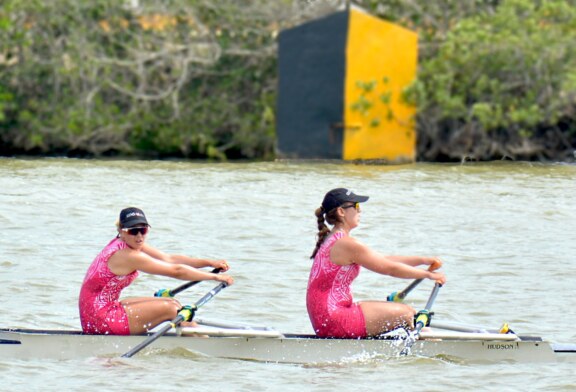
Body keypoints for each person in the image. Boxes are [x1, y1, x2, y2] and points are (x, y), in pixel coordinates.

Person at [306, 188, 446, 339]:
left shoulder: (334, 239)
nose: (360, 211)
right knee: (407, 313)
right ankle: (429, 347)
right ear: (341, 212)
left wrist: (423, 260)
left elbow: (383, 260)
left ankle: (421, 340)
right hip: (334, 318)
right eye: (357, 206)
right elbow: (389, 269)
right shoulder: (345, 243)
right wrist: (428, 275)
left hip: (326, 317)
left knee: (402, 313)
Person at [79, 207, 233, 335]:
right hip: (99, 319)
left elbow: (169, 259)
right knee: (171, 308)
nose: (139, 236)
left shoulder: (129, 243)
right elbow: (176, 271)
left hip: (102, 309)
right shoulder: (129, 255)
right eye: (133, 231)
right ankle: (204, 342)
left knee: (172, 302)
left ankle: (195, 335)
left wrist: (209, 263)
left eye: (143, 230)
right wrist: (214, 277)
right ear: (122, 231)